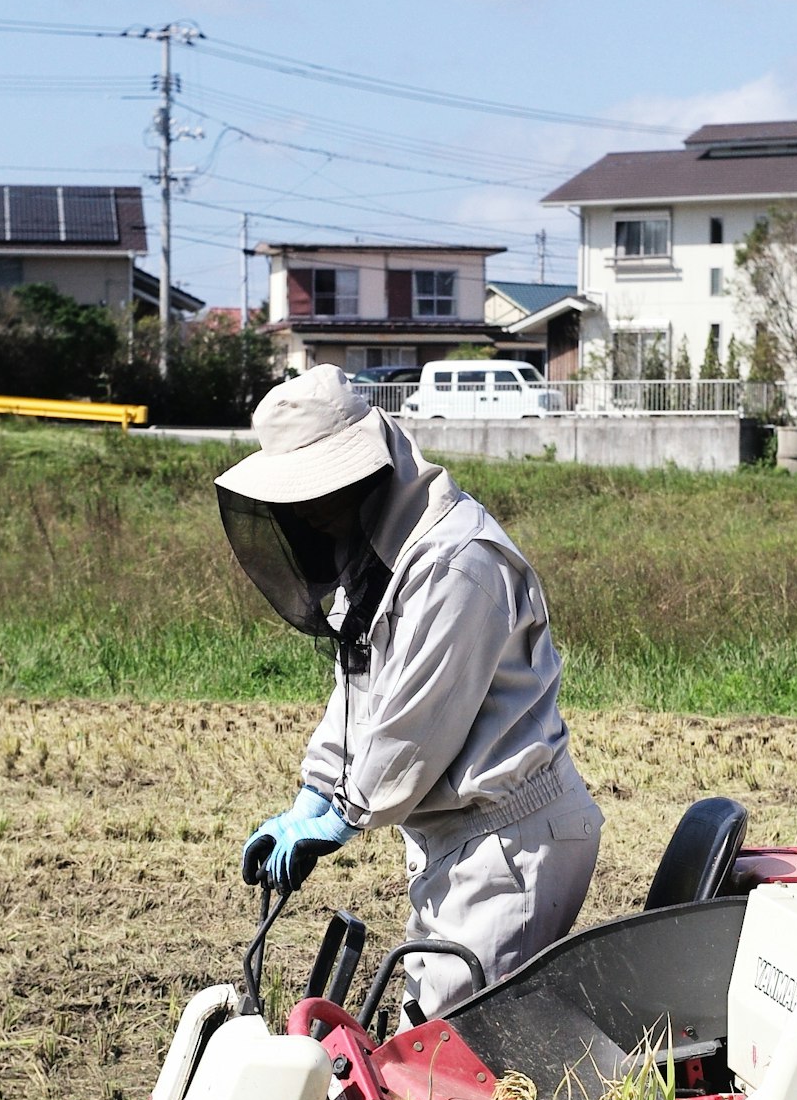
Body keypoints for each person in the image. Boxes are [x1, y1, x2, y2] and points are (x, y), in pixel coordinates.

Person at [214, 365, 600, 1019]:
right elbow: (359, 688)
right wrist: (313, 793)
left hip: (507, 841)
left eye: (318, 491)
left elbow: (415, 722)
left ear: (364, 469)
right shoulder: (376, 561)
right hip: (458, 840)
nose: (309, 511)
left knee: (451, 1059)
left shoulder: (455, 562)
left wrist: (345, 813)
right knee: (430, 1041)